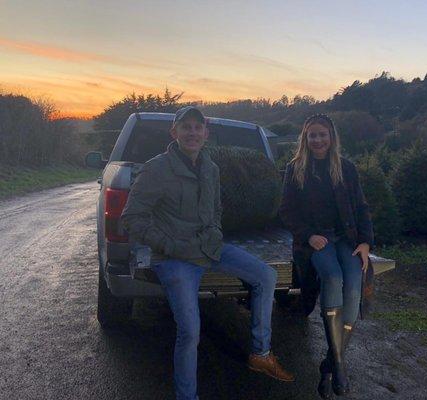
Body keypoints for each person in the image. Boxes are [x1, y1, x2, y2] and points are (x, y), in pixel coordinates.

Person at [121, 106, 294, 400]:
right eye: (185, 127)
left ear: (206, 134)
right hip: (175, 258)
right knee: (190, 332)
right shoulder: (156, 169)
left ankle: (261, 353)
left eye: (197, 127)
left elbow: (216, 208)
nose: (192, 132)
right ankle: (186, 396)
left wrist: (214, 232)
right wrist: (170, 245)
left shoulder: (211, 167)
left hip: (210, 248)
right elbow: (131, 219)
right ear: (174, 132)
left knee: (266, 275)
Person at [279, 114, 374, 399]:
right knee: (332, 278)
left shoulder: (346, 168)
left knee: (354, 285)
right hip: (315, 242)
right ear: (305, 139)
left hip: (346, 239)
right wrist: (308, 235)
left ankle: (332, 364)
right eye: (312, 135)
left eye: (323, 134)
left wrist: (366, 243)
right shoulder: (295, 169)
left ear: (331, 137)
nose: (318, 140)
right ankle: (338, 365)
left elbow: (361, 207)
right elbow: (286, 211)